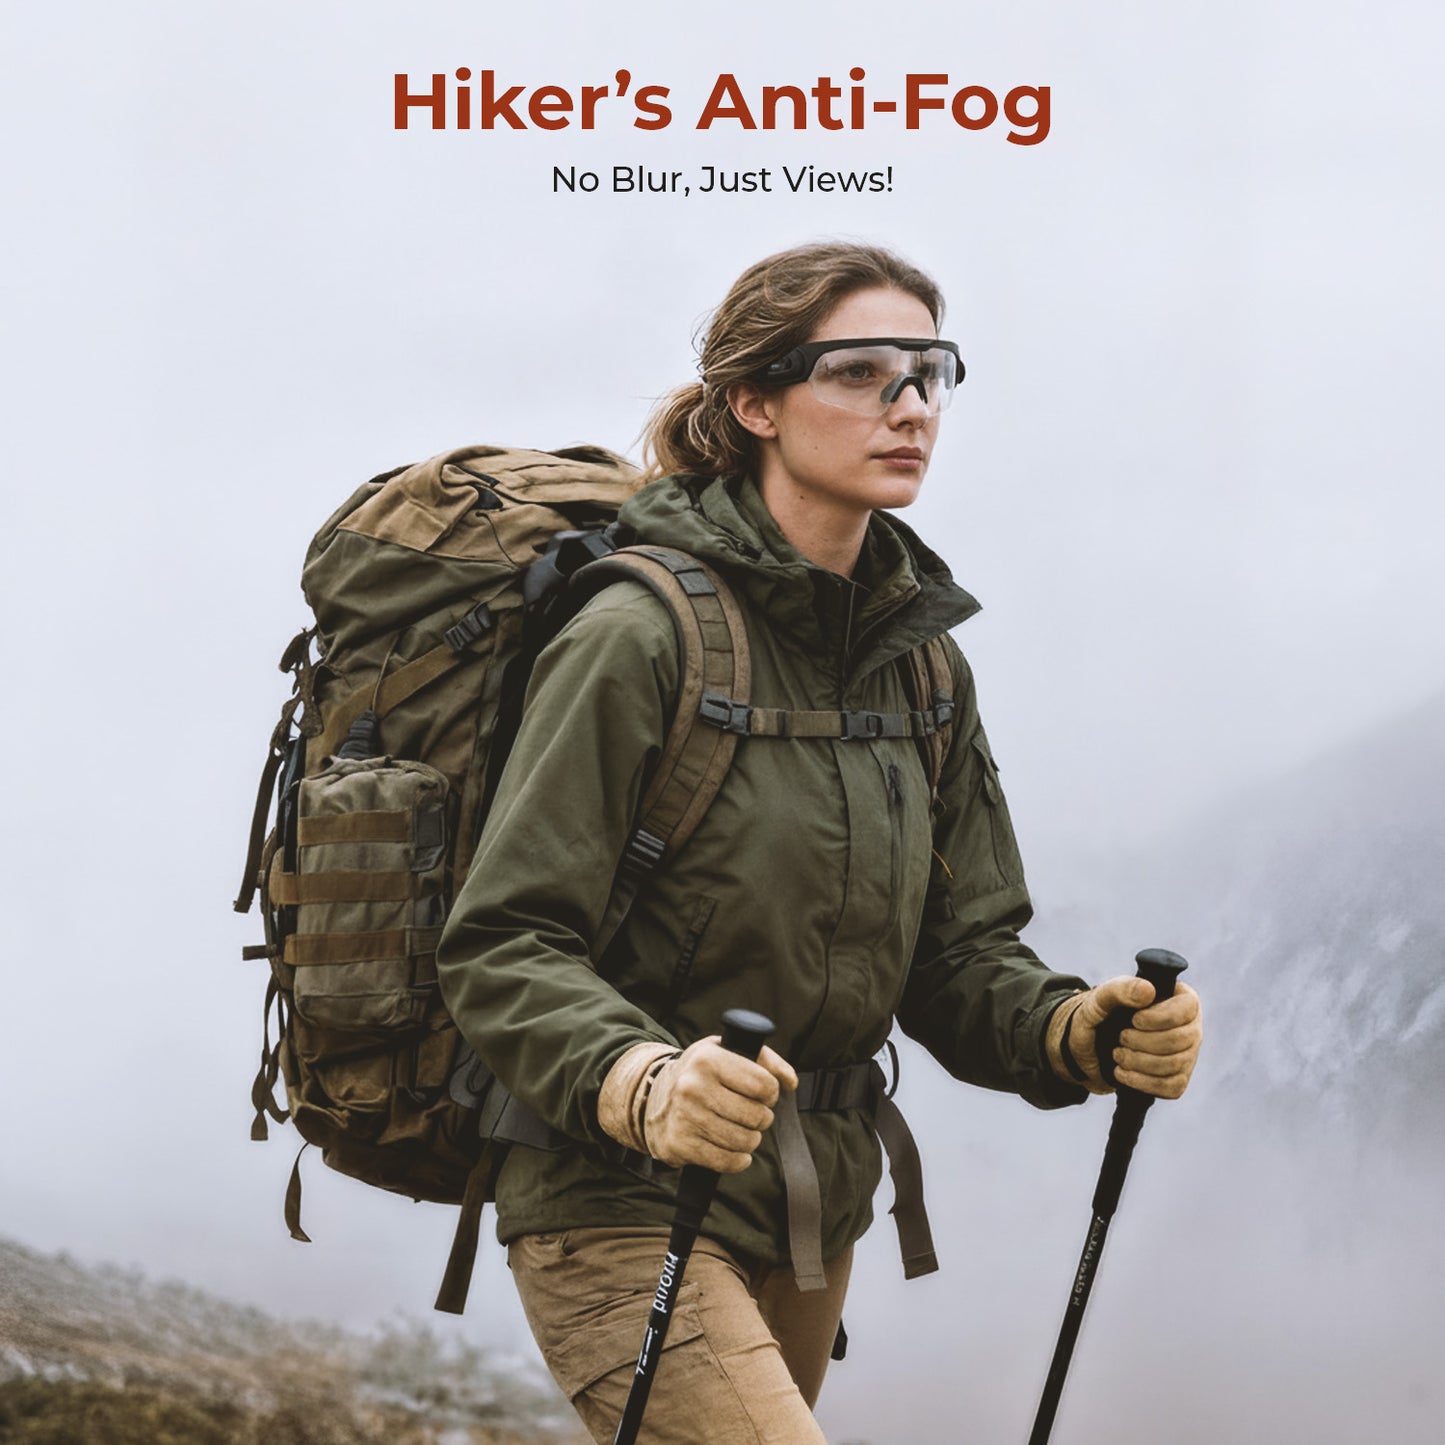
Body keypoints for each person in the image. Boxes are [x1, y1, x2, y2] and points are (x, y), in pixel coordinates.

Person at [435, 242, 1203, 1444]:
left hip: (810, 1209)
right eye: (859, 372)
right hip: (617, 1198)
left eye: (929, 372)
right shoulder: (639, 634)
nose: (910, 406)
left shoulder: (919, 663)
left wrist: (1072, 1028)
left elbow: (956, 956)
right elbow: (500, 941)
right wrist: (645, 1083)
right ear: (754, 402)